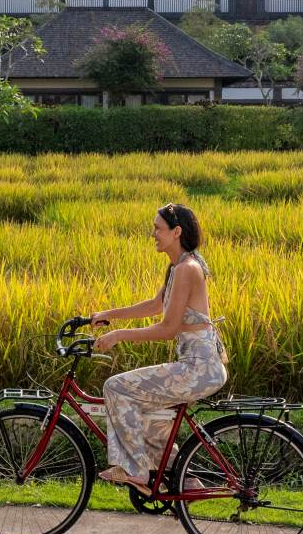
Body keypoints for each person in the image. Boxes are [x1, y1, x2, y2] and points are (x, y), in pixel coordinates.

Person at [88, 202, 228, 495]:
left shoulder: (188, 269)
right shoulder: (178, 266)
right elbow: (155, 305)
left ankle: (136, 471)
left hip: (197, 368)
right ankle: (183, 479)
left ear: (176, 232)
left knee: (116, 387)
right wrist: (108, 314)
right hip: (195, 365)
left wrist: (118, 336)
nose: (153, 233)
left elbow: (168, 329)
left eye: (157, 228)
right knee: (145, 412)